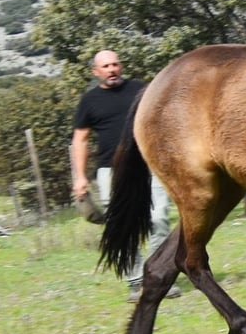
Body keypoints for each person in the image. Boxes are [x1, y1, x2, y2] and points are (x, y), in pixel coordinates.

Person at [71, 50, 182, 302]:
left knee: (158, 218)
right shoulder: (89, 101)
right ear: (95, 71)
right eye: (106, 66)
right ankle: (136, 282)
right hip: (110, 171)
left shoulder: (140, 90)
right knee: (121, 225)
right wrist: (79, 176)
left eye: (115, 64)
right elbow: (80, 140)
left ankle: (160, 277)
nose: (112, 69)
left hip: (148, 165)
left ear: (120, 66)